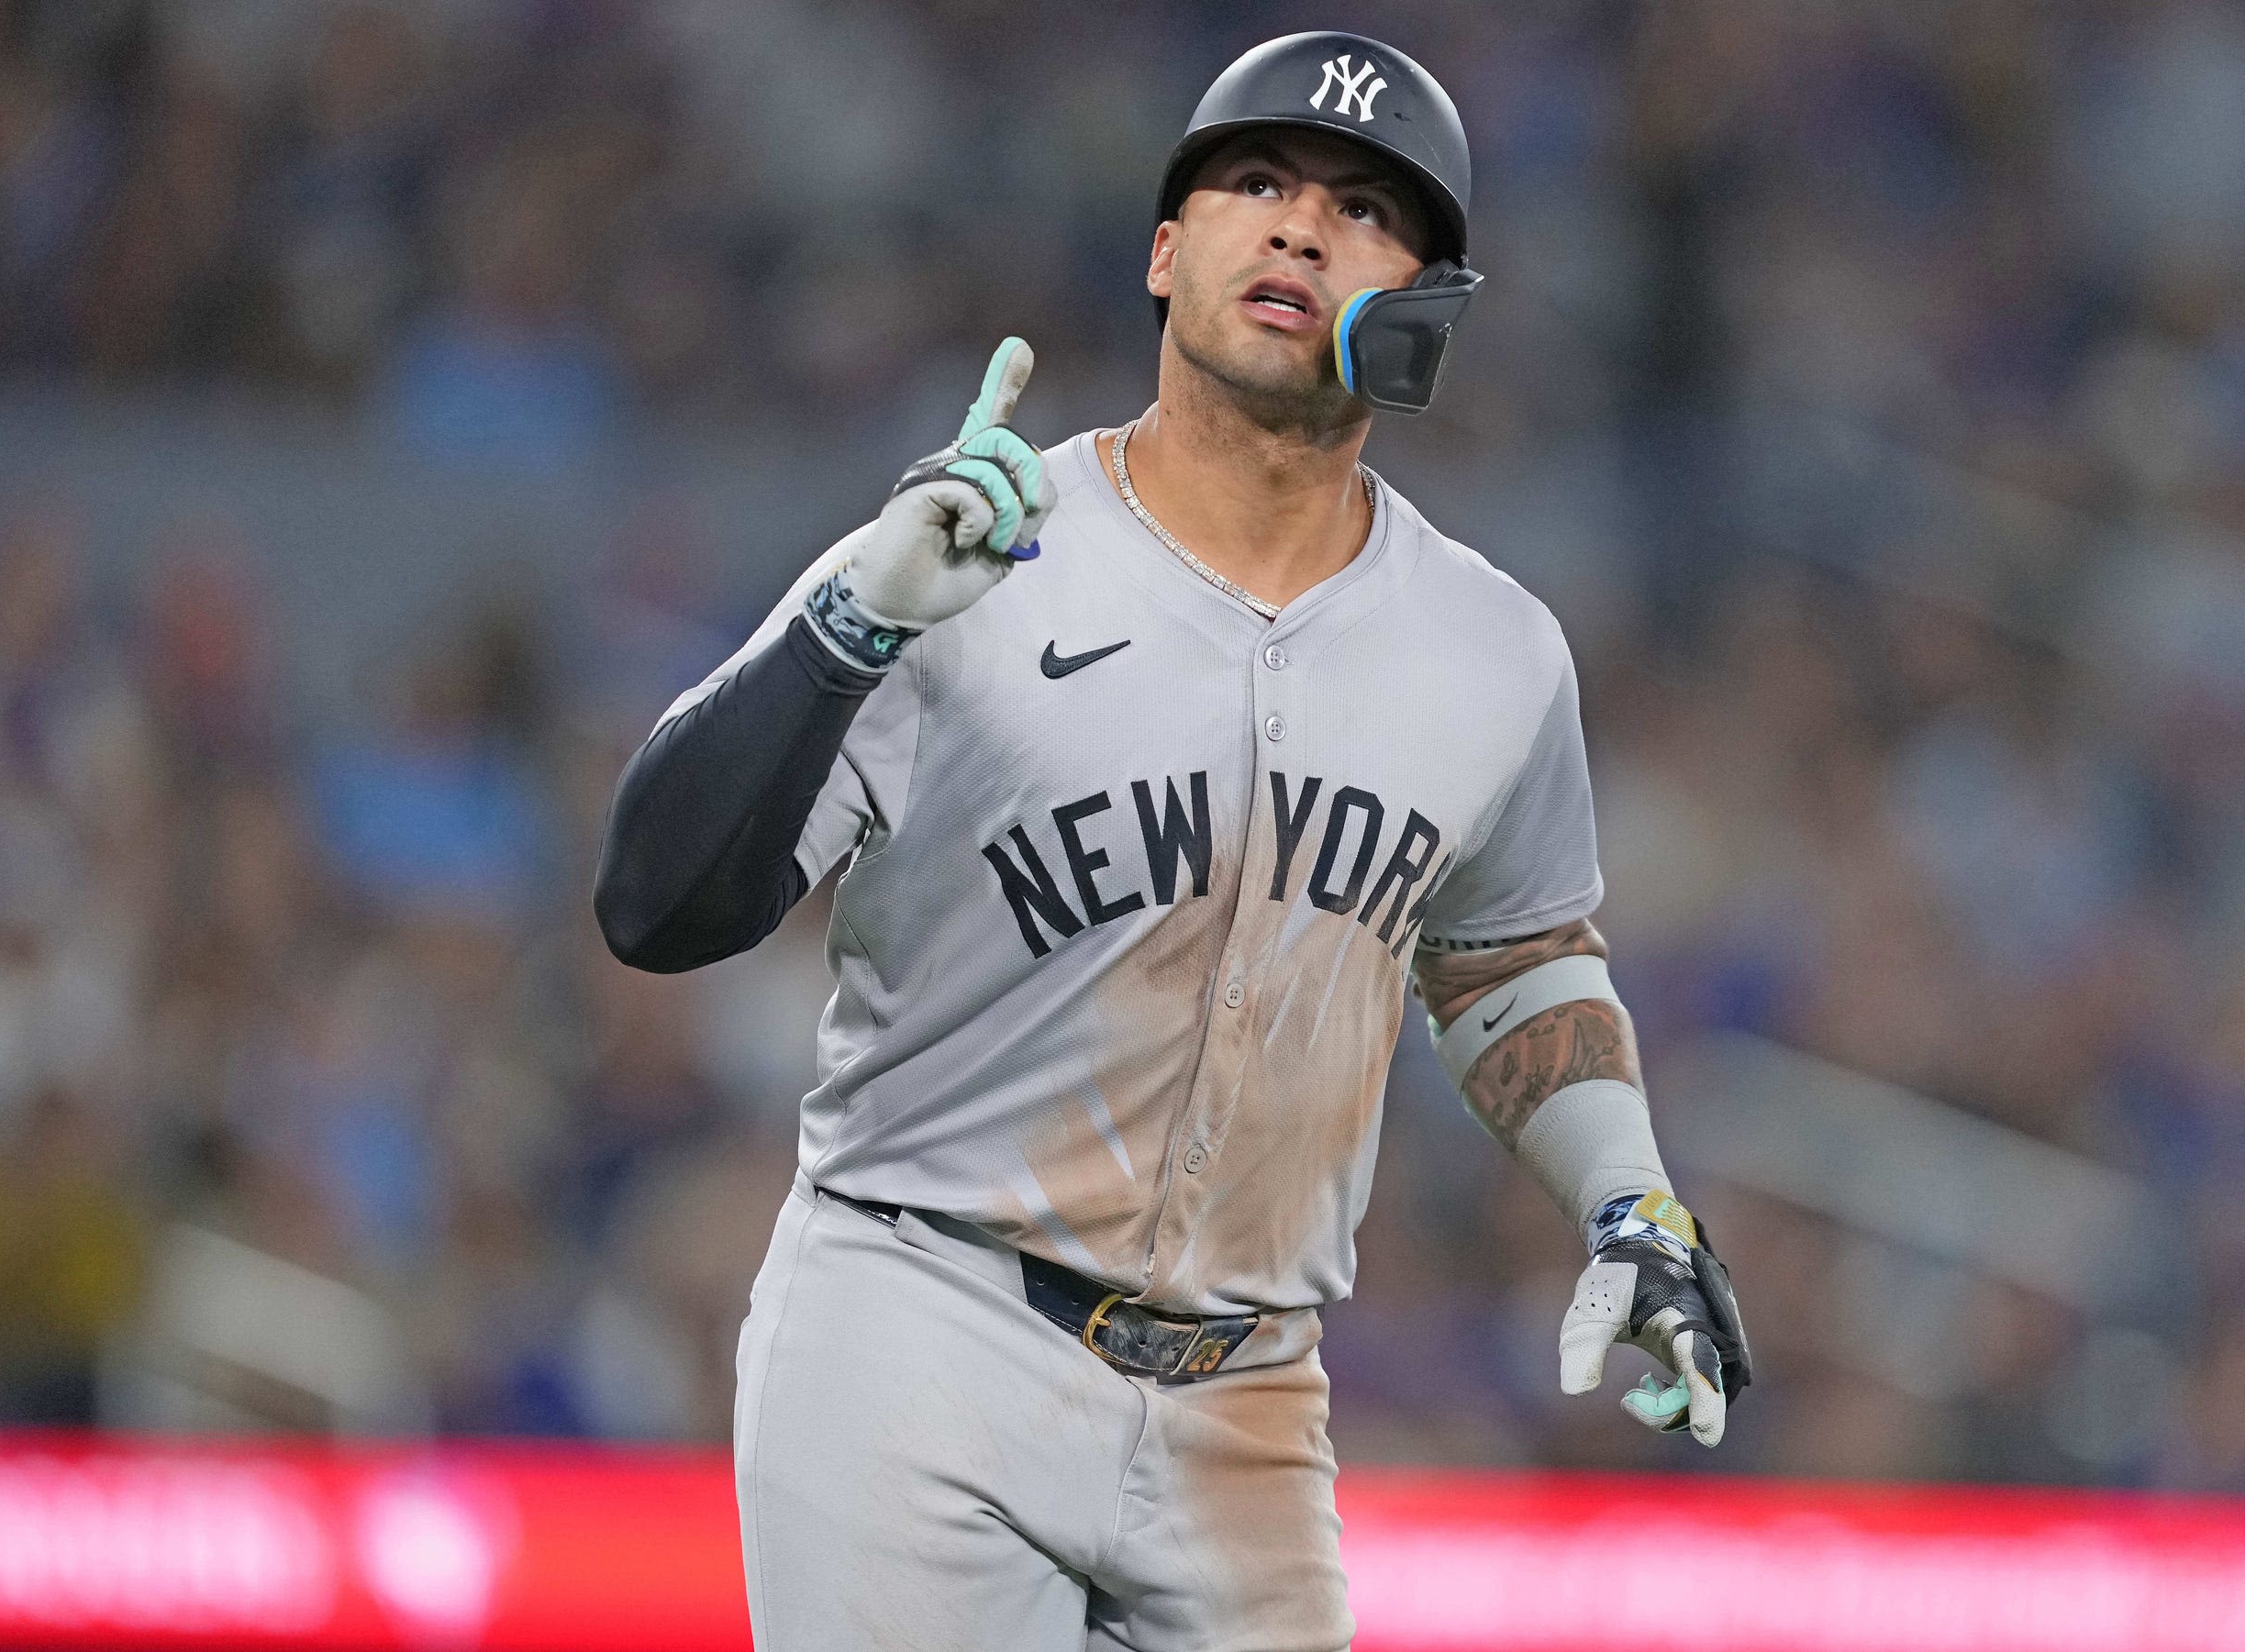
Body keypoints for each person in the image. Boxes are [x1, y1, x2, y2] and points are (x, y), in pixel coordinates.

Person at [594, 31, 1751, 1652]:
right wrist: (853, 620)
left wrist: (1631, 1202)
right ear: (1164, 249)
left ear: (1427, 304)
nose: (1295, 228)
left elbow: (1510, 962)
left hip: (1251, 1404)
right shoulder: (968, 546)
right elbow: (653, 904)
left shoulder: (1496, 653)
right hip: (922, 1328)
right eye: (1255, 184)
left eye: (1360, 208)